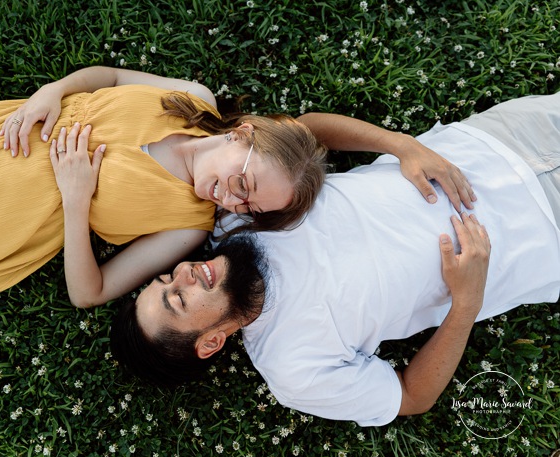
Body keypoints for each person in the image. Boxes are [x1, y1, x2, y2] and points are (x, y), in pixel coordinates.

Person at [111, 92, 560, 426]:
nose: (183, 274)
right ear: (209, 343)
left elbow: (304, 132)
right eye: (178, 299)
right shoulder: (294, 369)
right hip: (541, 240)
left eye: (166, 278)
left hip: (491, 141)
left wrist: (403, 146)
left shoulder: (235, 220)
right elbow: (408, 397)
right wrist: (466, 305)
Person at [0, 66, 329, 352]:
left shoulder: (187, 225)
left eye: (246, 206)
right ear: (242, 134)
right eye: (242, 182)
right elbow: (108, 77)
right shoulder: (194, 99)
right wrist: (53, 91)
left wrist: (76, 199)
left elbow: (90, 292)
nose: (230, 200)